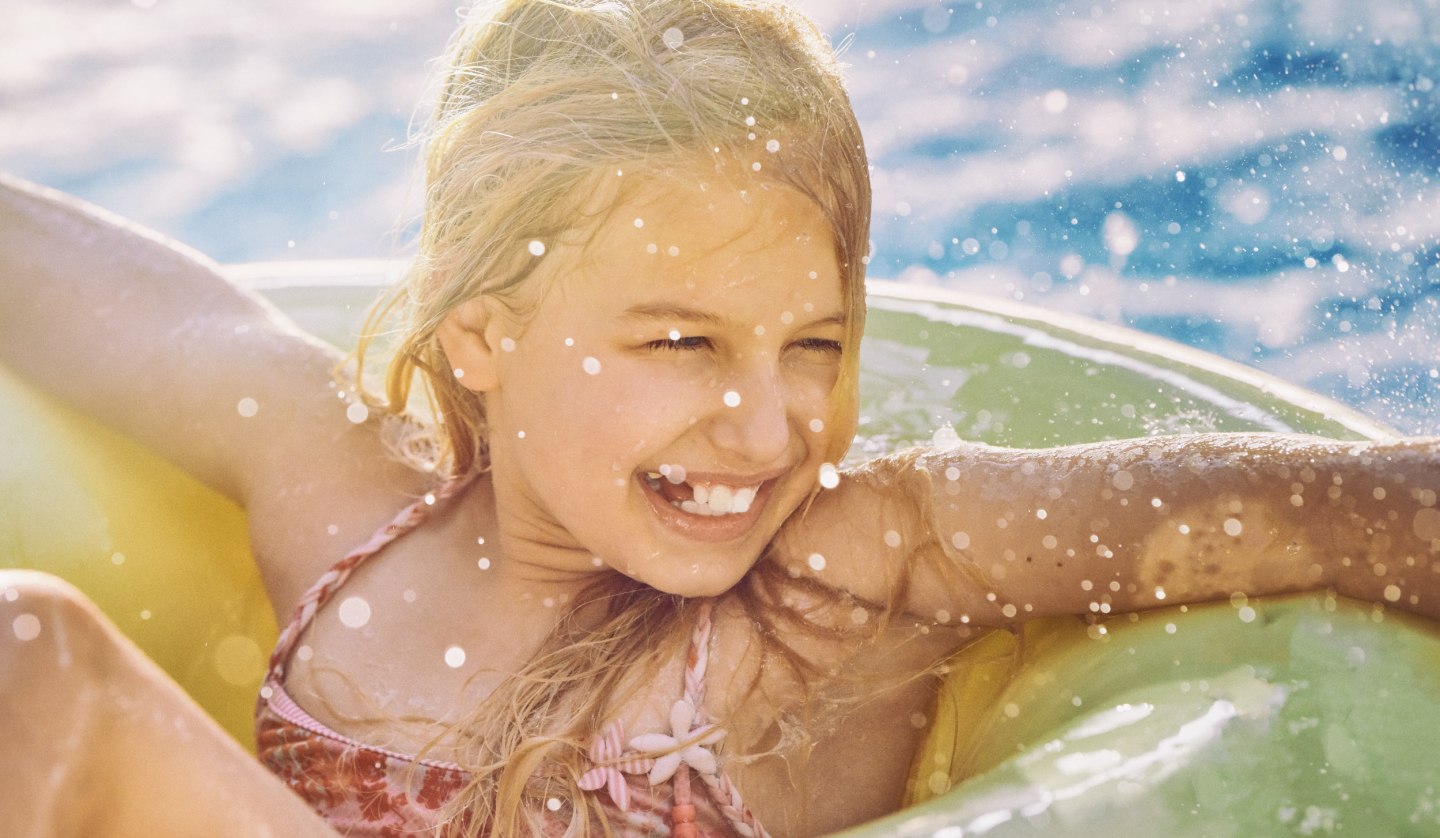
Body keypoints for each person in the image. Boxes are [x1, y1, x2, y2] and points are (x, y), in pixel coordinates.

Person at [1, 0, 1437, 835]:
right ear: (483, 334)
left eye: (812, 342)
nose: (765, 425)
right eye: (683, 341)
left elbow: (1336, 511)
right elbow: (129, 305)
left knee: (36, 656)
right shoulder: (348, 493)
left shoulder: (852, 565)